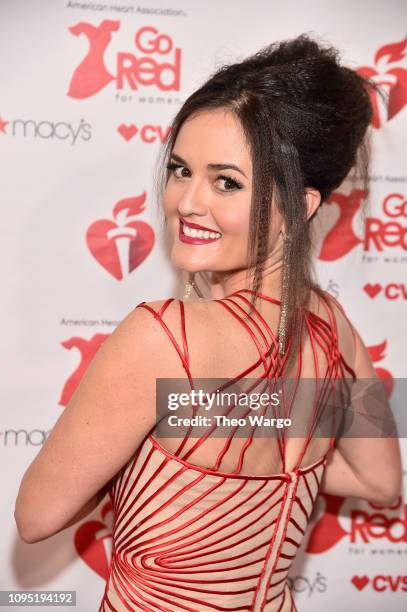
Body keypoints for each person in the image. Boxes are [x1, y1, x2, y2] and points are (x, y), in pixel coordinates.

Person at [15, 33, 402, 611]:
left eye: (226, 182)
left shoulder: (163, 337)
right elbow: (382, 482)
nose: (188, 202)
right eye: (180, 170)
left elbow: (37, 516)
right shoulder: (334, 325)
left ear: (302, 205)